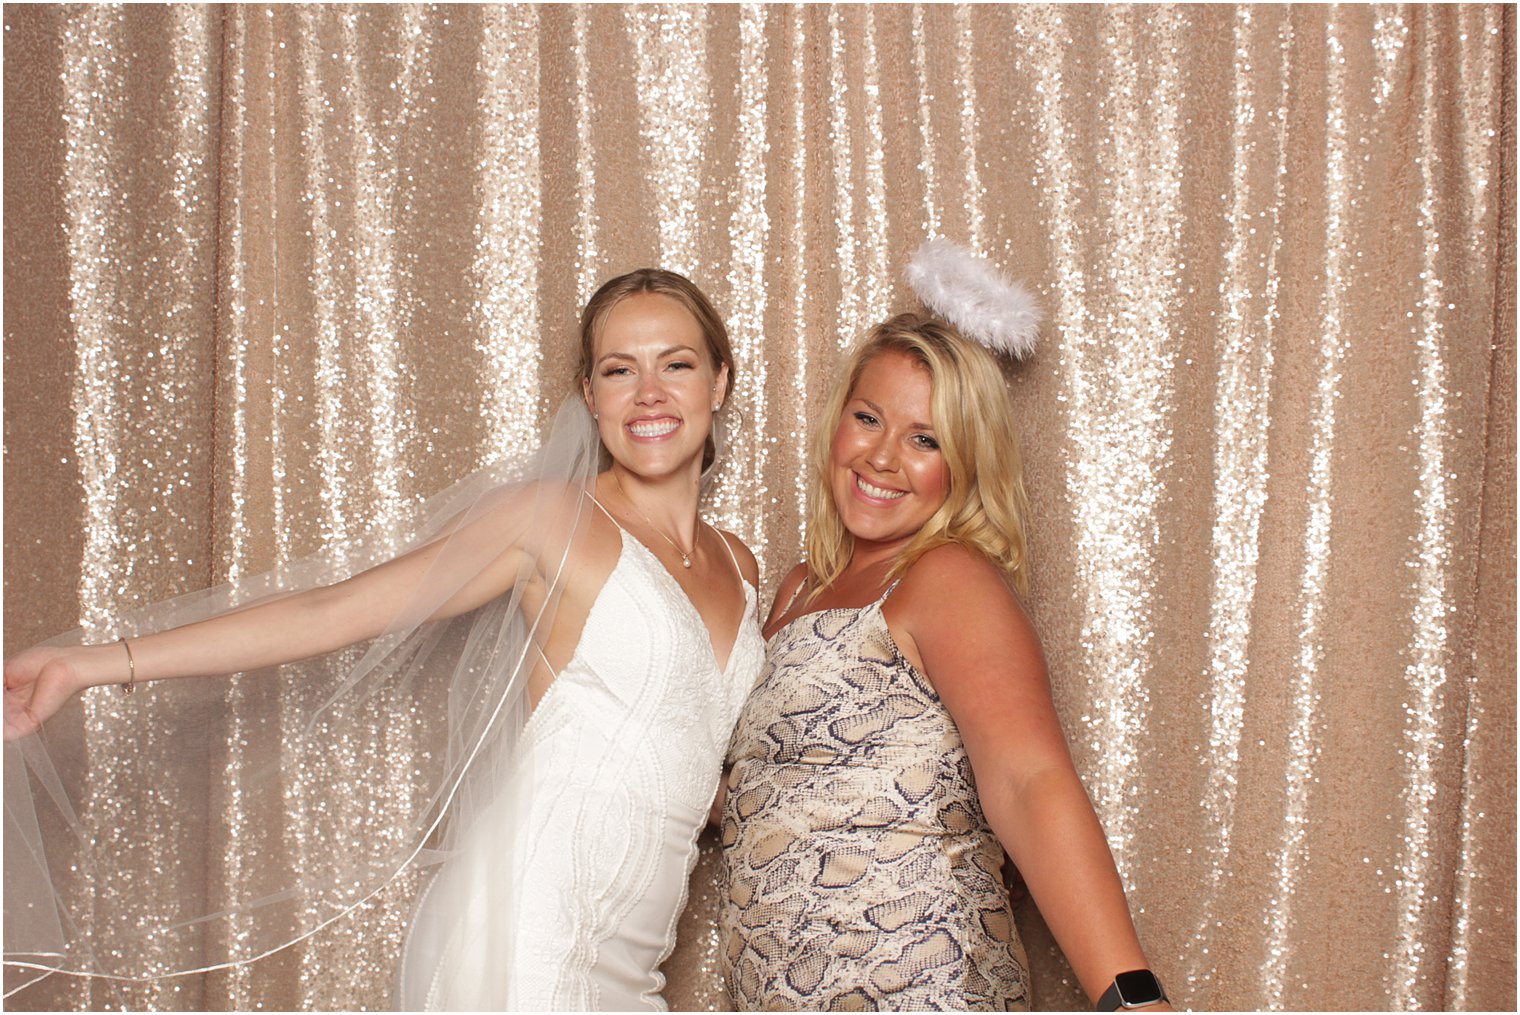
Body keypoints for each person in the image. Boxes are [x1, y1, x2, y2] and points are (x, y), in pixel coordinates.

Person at [4, 268, 766, 1011]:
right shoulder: (548, 520)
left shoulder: (739, 565)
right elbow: (329, 612)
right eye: (619, 369)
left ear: (719, 382)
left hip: (634, 955)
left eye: (677, 364)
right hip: (526, 930)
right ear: (590, 396)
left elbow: (687, 758)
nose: (651, 393)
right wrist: (96, 662)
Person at [719, 312, 1170, 1011]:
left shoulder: (944, 577)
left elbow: (1029, 781)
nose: (883, 456)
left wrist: (1132, 997)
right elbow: (770, 793)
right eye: (869, 418)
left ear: (963, 464)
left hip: (921, 987)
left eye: (924, 438)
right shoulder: (796, 589)